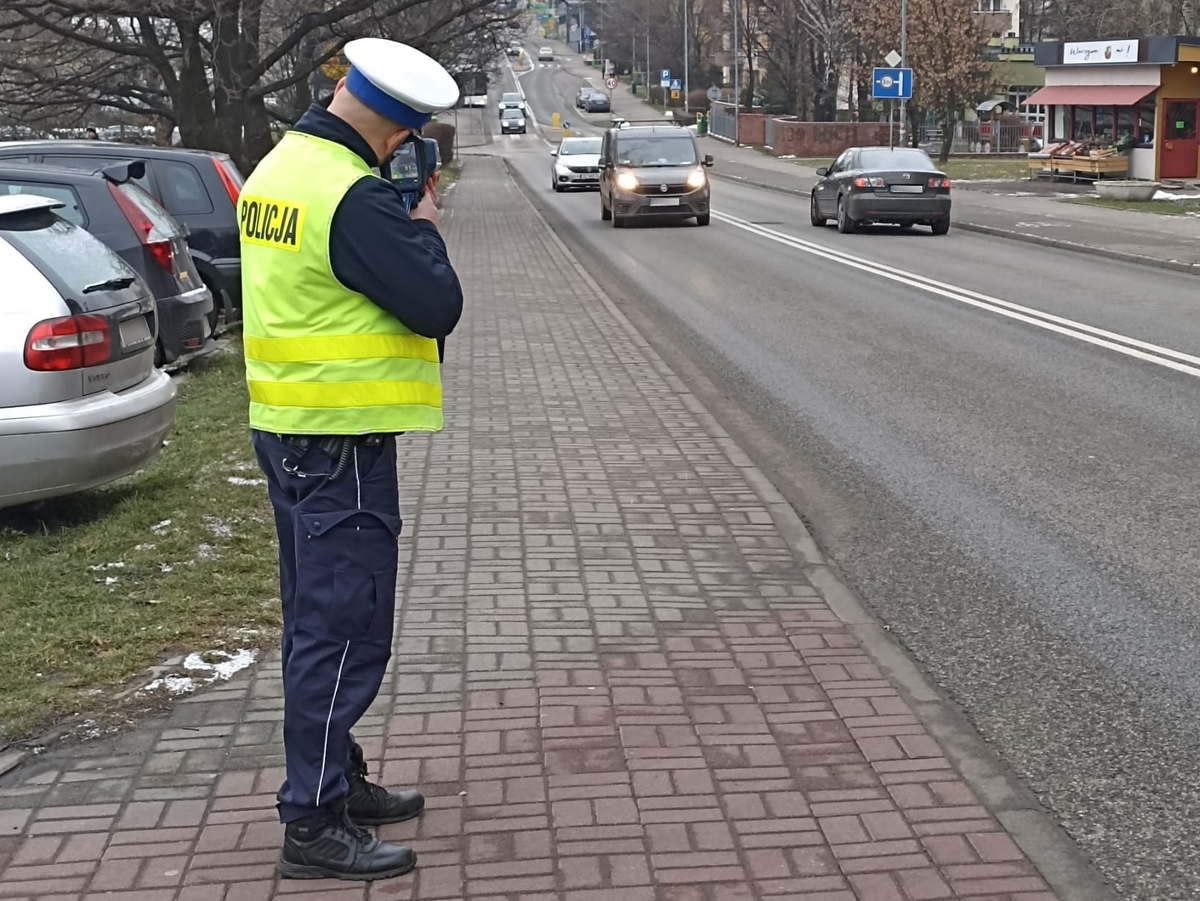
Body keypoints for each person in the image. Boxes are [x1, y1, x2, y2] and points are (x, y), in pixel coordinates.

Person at [239, 37, 463, 882]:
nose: (406, 152)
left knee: (314, 620)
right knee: (343, 634)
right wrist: (428, 230)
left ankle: (339, 776)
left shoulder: (277, 171)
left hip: (290, 430)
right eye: (407, 137)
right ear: (393, 125)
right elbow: (436, 304)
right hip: (341, 446)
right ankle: (313, 819)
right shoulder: (355, 197)